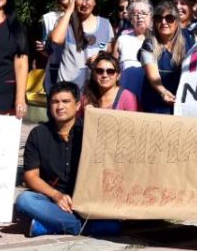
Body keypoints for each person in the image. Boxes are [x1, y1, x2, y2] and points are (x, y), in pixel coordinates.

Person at [15, 81, 120, 236]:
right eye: (55, 102)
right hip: (52, 200)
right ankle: (77, 226)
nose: (60, 106)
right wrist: (56, 195)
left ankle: (50, 226)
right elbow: (30, 176)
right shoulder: (38, 134)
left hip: (86, 200)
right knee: (24, 200)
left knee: (114, 225)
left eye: (66, 101)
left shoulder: (89, 131)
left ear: (77, 105)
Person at [49, 0, 115, 90]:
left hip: (95, 90)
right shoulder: (65, 22)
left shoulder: (105, 24)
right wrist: (69, 10)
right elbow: (56, 39)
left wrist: (100, 56)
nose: (84, 3)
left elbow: (110, 53)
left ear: (95, 1)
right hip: (68, 90)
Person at [139, 0, 194, 113]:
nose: (164, 22)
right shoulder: (148, 45)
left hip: (184, 104)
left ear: (177, 21)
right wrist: (163, 92)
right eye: (159, 18)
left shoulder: (189, 37)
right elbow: (154, 78)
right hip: (157, 105)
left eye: (169, 18)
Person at [36, 0, 77, 92]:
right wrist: (43, 49)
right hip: (55, 75)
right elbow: (48, 52)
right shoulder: (49, 18)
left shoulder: (83, 16)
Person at [113, 0, 152, 102]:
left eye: (144, 13)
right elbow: (113, 68)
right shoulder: (122, 39)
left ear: (151, 17)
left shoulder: (157, 41)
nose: (139, 17)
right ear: (130, 19)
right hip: (125, 96)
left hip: (149, 97)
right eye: (135, 14)